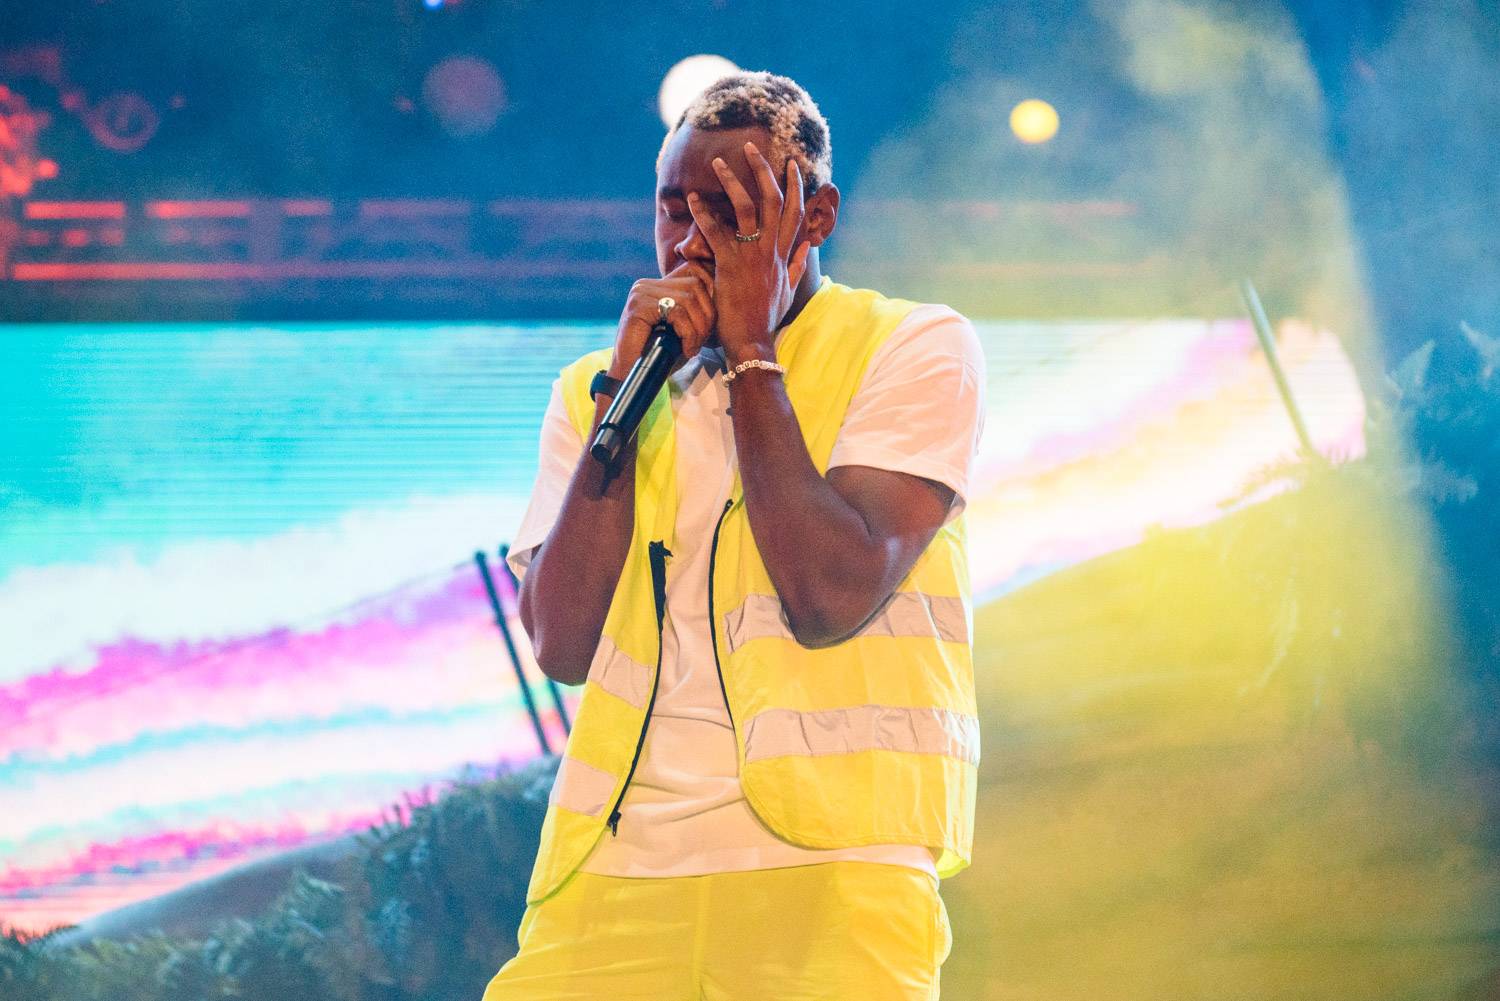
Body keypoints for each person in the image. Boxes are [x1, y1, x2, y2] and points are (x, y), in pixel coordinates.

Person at [484, 71, 984, 1001]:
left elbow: (830, 592)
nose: (691, 240)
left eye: (733, 211)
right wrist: (619, 412)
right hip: (613, 870)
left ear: (816, 215)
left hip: (832, 871)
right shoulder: (599, 386)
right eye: (673, 208)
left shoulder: (914, 347)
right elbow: (560, 642)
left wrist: (754, 351)